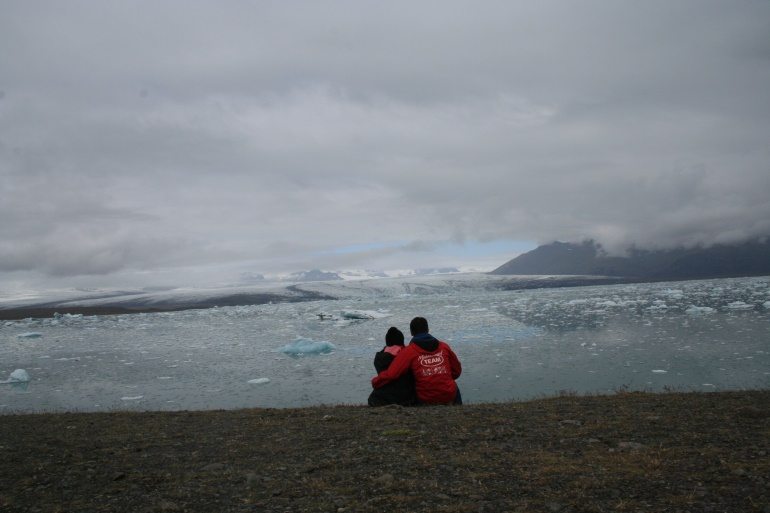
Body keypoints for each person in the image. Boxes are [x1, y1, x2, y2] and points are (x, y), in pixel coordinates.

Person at [371, 317, 462, 405]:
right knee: (453, 386)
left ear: (411, 332)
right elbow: (457, 371)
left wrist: (375, 381)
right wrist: (440, 373)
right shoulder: (444, 347)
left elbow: (392, 374)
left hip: (426, 398)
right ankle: (459, 411)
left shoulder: (409, 351)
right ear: (428, 329)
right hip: (449, 395)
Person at [367, 327, 417, 407]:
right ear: (401, 341)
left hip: (381, 398)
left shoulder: (379, 358)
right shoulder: (405, 355)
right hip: (405, 397)